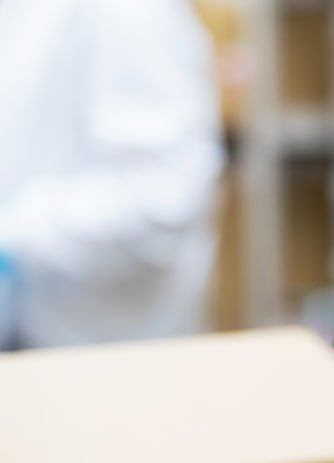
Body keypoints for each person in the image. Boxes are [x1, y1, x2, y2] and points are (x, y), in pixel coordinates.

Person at [0, 0, 222, 349]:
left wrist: (15, 239)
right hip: (31, 325)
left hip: (107, 343)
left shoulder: (129, 10)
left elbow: (165, 197)